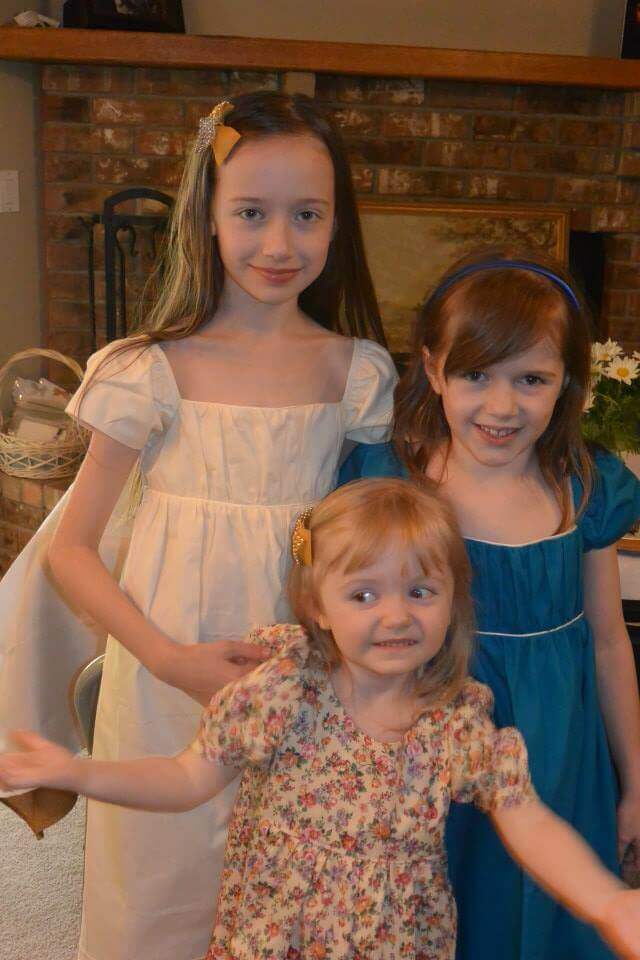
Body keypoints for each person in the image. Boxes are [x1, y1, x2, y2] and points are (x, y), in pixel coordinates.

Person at [0, 92, 397, 960]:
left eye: (308, 215)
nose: (280, 243)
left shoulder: (356, 373)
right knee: (159, 882)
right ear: (207, 218)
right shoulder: (146, 370)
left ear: (339, 225)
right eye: (251, 213)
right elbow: (71, 551)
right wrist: (172, 660)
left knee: (293, 885)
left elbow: (379, 534)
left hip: (305, 672)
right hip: (163, 664)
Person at [2, 477, 640, 960]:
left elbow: (528, 820)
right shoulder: (282, 690)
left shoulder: (456, 722)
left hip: (399, 943)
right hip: (270, 937)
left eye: (421, 591)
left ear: (453, 602)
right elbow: (184, 779)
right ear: (319, 606)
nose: (396, 615)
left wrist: (607, 899)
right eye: (364, 594)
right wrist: (79, 772)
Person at [338, 250, 640, 960]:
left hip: (557, 748)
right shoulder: (394, 478)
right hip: (424, 737)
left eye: (531, 380)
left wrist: (635, 783)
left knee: (547, 908)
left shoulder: (583, 486)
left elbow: (607, 642)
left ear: (568, 383)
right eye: (476, 375)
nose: (503, 407)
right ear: (433, 369)